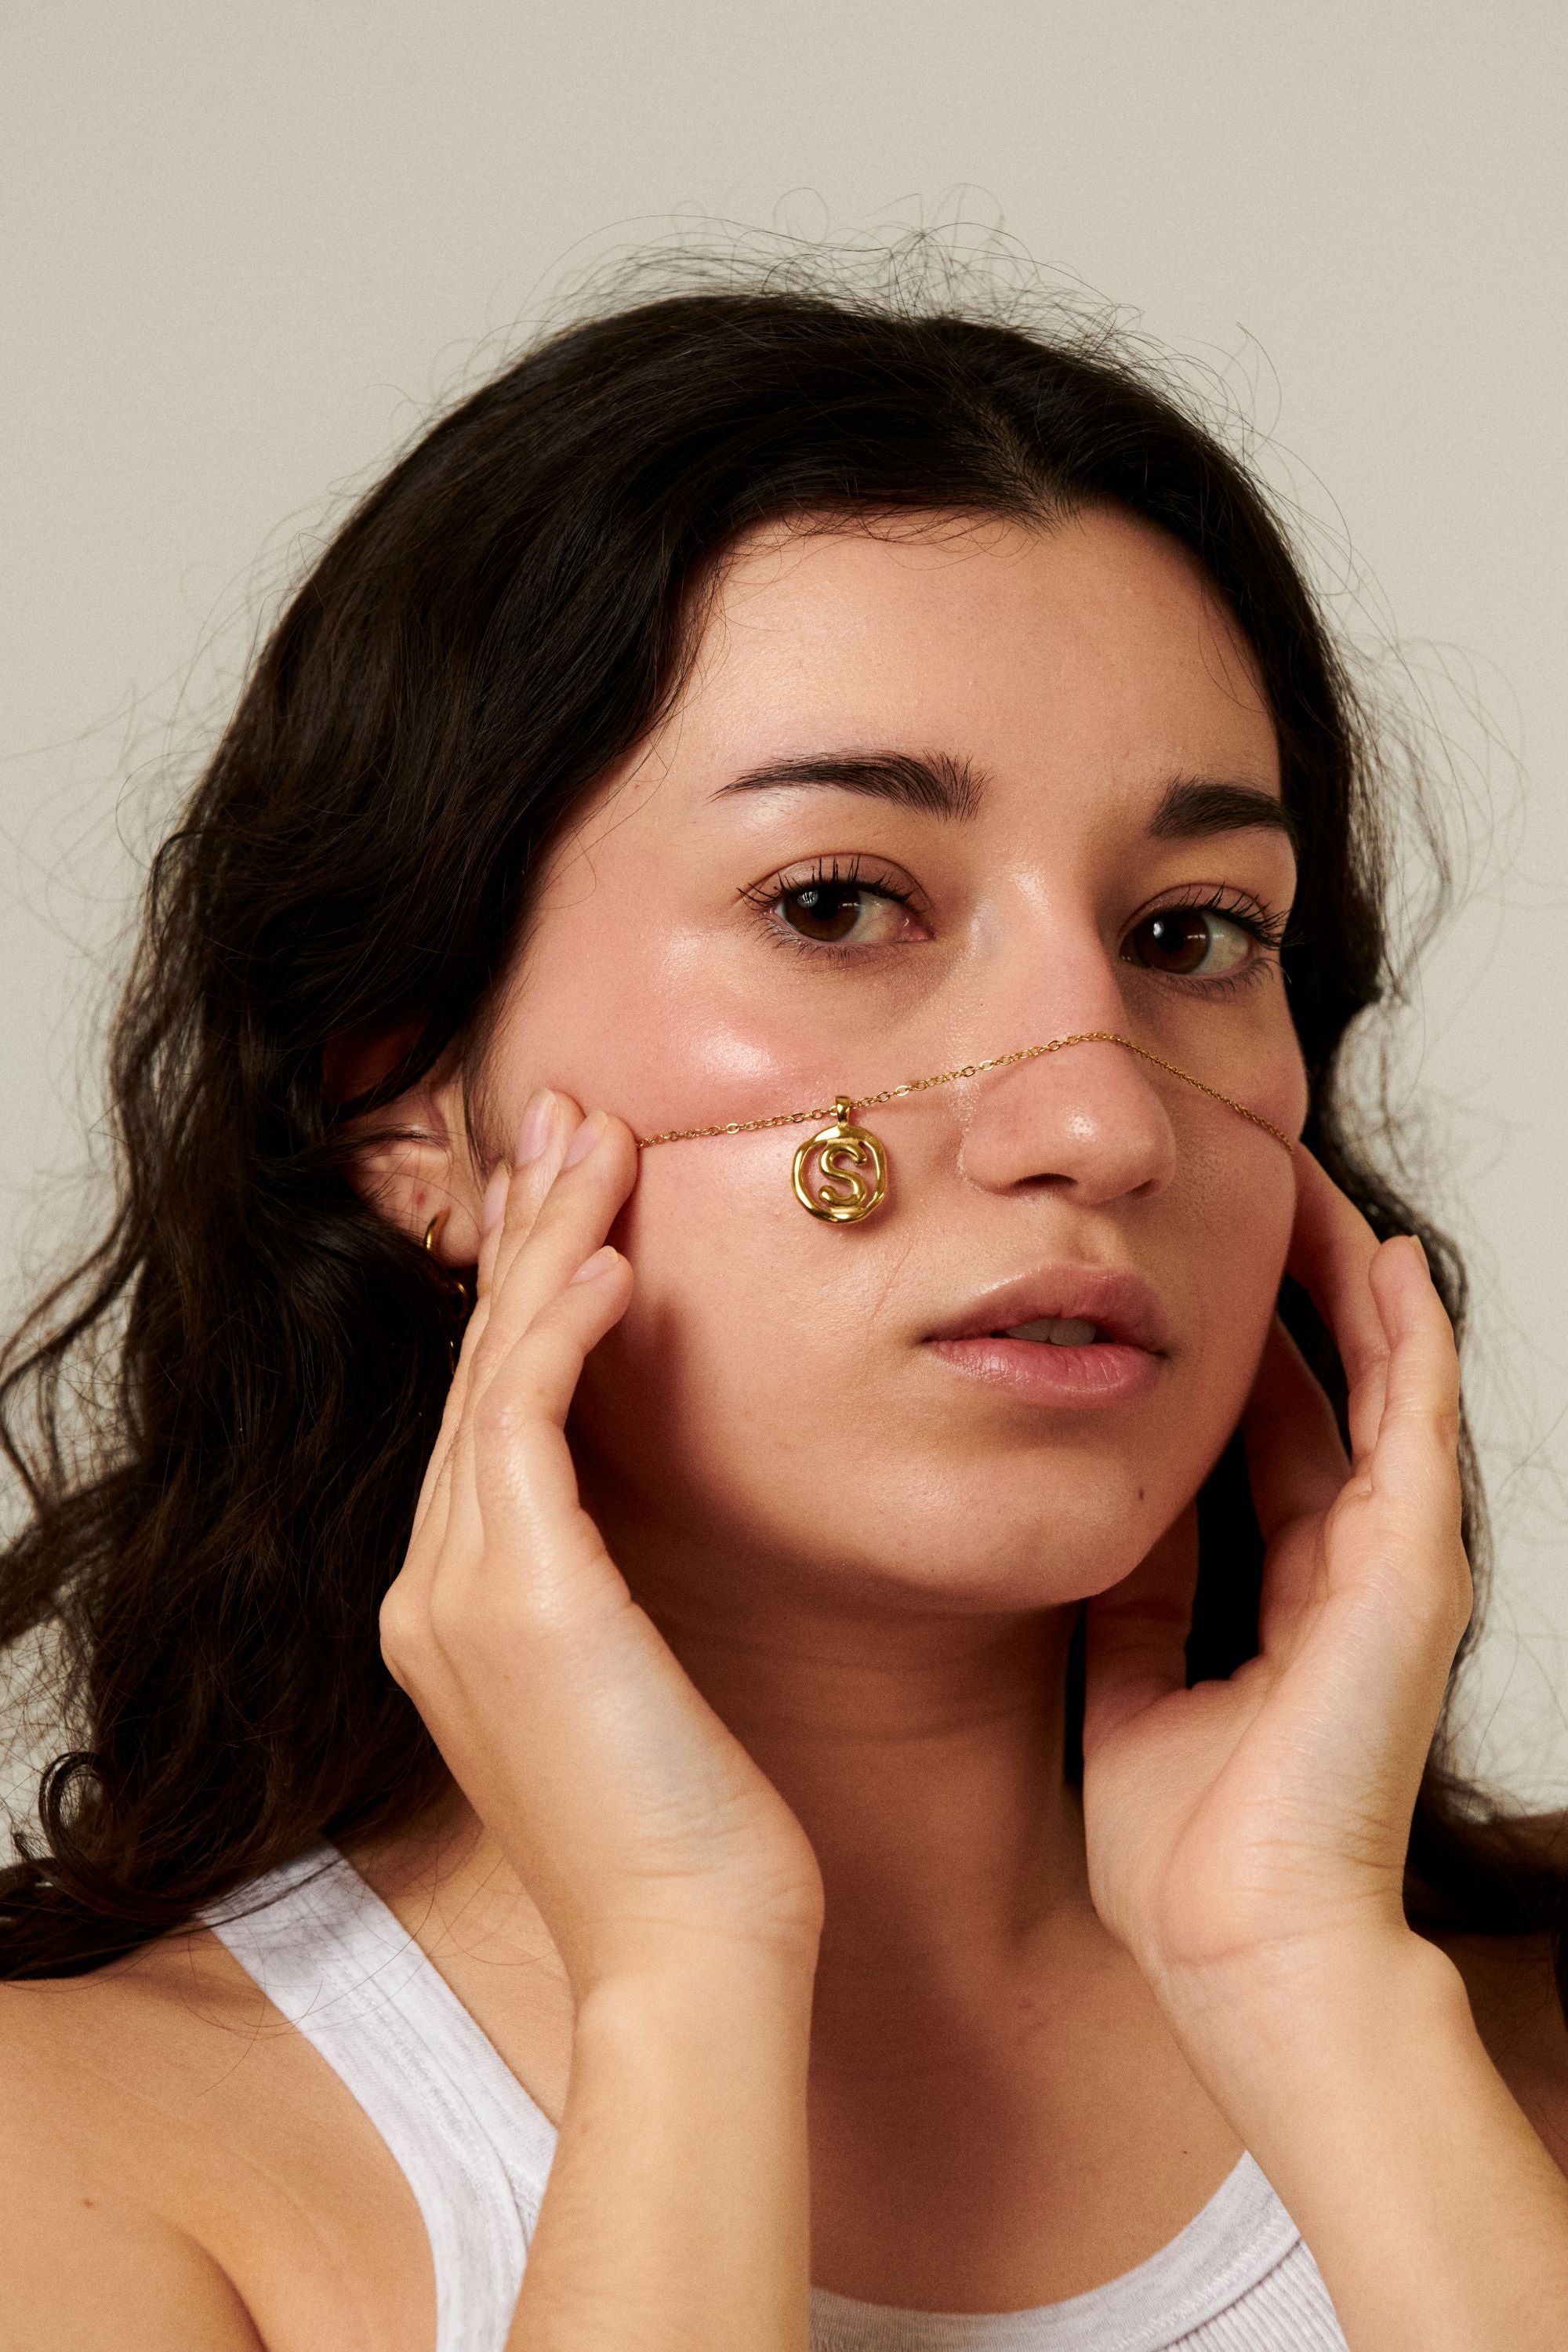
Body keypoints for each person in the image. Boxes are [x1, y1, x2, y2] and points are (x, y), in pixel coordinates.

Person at [2, 267, 1567, 2352]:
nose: (1101, 1119)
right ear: (409, 1103)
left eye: (1196, 933)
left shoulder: (1507, 2044)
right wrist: (683, 1975)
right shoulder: (84, 2163)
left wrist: (1315, 1989)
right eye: (837, 904)